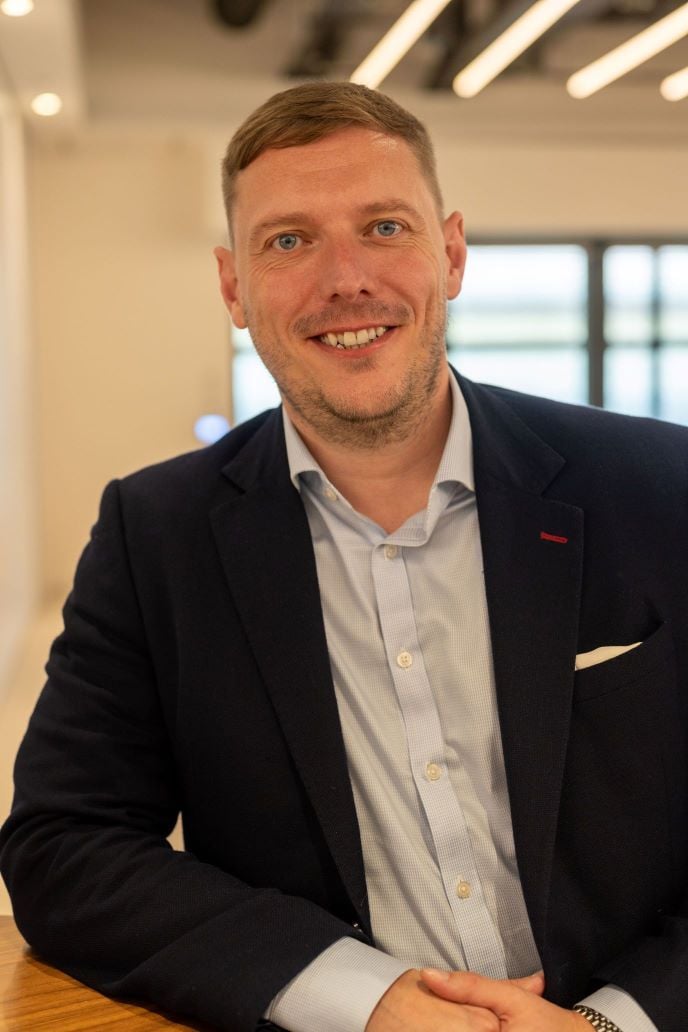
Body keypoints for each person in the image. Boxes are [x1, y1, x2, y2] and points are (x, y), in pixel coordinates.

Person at [1, 81, 687, 1032]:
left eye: (384, 228)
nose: (344, 280)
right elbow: (63, 844)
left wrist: (612, 1022)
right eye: (288, 241)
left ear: (449, 253)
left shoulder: (663, 487)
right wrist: (363, 1000)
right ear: (233, 287)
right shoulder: (155, 532)